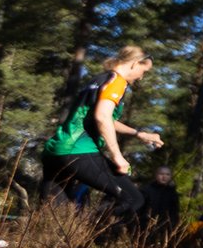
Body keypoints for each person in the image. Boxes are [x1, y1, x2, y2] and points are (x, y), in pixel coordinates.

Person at [41, 46, 160, 214]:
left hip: (55, 151)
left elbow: (104, 118)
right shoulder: (117, 81)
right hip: (78, 151)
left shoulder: (100, 79)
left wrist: (139, 134)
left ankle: (69, 235)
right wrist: (117, 157)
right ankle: (87, 234)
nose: (141, 77)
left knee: (54, 216)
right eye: (144, 71)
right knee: (133, 199)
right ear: (134, 63)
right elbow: (102, 117)